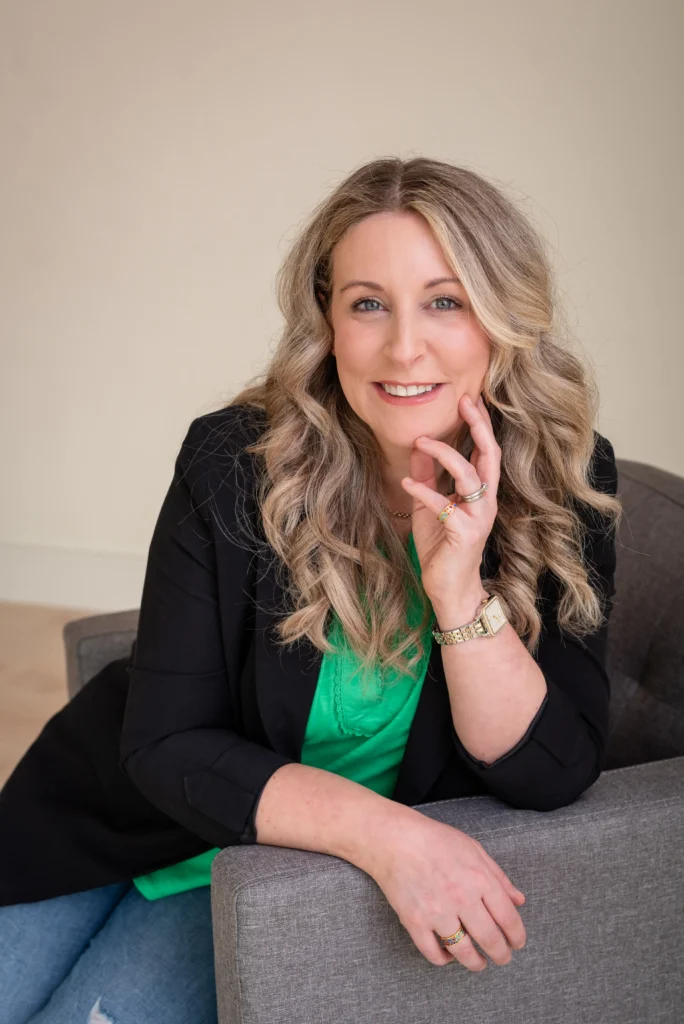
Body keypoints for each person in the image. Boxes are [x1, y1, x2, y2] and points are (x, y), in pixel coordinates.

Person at [0, 155, 622, 1023]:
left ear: (501, 316)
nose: (404, 347)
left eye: (445, 301)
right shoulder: (235, 459)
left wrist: (456, 594)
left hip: (273, 875)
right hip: (127, 815)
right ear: (327, 321)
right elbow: (166, 744)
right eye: (368, 304)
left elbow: (552, 771)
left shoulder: (565, 479)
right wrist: (392, 835)